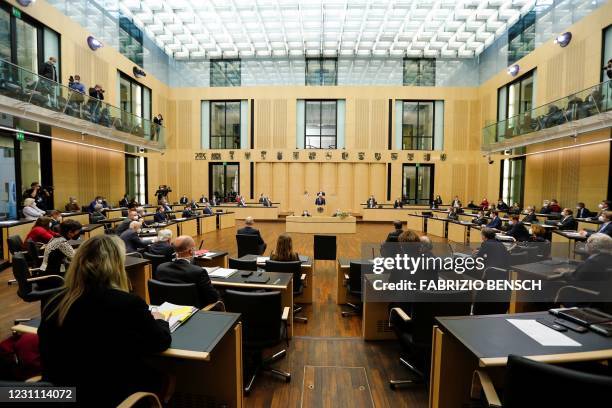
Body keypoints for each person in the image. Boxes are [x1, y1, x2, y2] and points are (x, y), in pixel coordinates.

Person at [39, 235, 172, 408]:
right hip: (110, 396)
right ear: (117, 266)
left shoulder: (55, 300)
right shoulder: (128, 303)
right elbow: (160, 342)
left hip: (59, 394)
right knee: (168, 376)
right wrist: (160, 320)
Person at [155, 235, 220, 308]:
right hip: (193, 313)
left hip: (167, 309)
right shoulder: (198, 272)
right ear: (191, 251)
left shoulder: (160, 268)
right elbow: (213, 298)